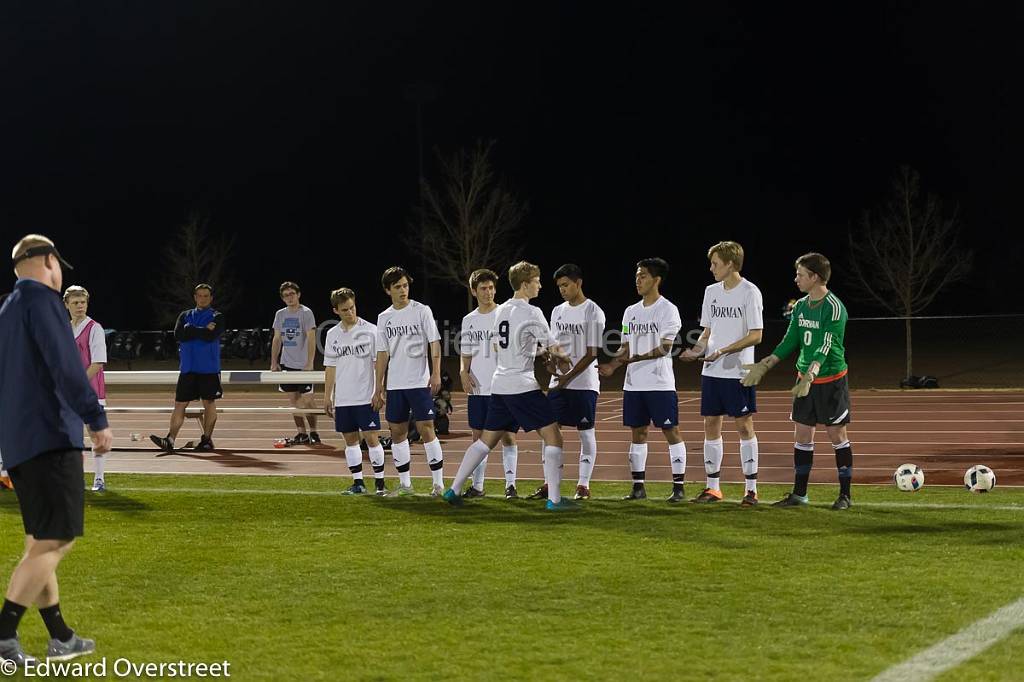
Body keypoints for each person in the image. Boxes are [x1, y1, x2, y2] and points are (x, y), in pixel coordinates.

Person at [0, 234, 112, 667]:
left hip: (19, 443)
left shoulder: (7, 310)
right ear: (48, 260)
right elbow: (65, 365)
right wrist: (95, 418)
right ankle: (5, 634)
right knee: (56, 540)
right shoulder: (44, 303)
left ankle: (60, 636)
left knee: (38, 542)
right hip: (50, 437)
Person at [442, 261, 576, 510]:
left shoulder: (501, 310)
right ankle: (555, 500)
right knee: (553, 436)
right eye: (536, 280)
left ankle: (454, 488)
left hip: (499, 384)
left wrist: (531, 351)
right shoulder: (531, 311)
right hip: (521, 385)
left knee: (485, 440)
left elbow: (497, 346)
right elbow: (554, 346)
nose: (540, 284)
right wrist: (566, 360)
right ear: (525, 284)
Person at [740, 252, 854, 510]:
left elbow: (825, 345)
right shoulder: (801, 306)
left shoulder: (834, 308)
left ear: (815, 277)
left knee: (837, 435)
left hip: (830, 380)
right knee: (802, 435)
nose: (796, 279)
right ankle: (799, 494)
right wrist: (766, 364)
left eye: (801, 274)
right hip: (805, 379)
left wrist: (812, 374)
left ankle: (845, 495)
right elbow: (791, 340)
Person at [679, 242, 764, 505]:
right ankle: (713, 487)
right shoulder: (710, 292)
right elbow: (706, 332)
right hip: (712, 371)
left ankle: (751, 490)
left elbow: (756, 335)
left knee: (743, 425)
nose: (711, 268)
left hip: (739, 371)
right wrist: (696, 351)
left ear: (729, 264)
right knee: (710, 425)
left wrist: (724, 351)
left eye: (715, 263)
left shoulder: (750, 292)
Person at [599, 258, 688, 502]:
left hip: (659, 384)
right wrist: (612, 365)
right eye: (637, 276)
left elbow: (665, 347)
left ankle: (678, 488)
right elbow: (625, 348)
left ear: (656, 280)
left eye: (643, 276)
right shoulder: (631, 312)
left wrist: (634, 358)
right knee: (638, 433)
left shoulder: (668, 309)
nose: (637, 280)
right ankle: (638, 488)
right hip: (633, 385)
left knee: (671, 431)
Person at [527, 264, 606, 501]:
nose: (562, 290)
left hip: (583, 383)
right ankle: (550, 483)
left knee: (585, 432)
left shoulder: (593, 311)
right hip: (558, 382)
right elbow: (555, 345)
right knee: (549, 430)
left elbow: (592, 352)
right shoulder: (557, 311)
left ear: (578, 283)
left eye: (566, 285)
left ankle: (583, 485)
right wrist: (551, 363)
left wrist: (567, 377)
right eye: (559, 286)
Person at [373, 267, 445, 496]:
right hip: (395, 384)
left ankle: (438, 484)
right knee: (397, 432)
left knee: (426, 429)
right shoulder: (384, 318)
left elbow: (434, 342)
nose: (403, 290)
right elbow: (382, 353)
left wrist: (435, 373)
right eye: (397, 287)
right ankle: (405, 485)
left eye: (405, 285)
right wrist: (378, 386)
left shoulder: (421, 311)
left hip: (419, 382)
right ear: (387, 290)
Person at [458, 269, 519, 499]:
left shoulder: (506, 314)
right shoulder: (469, 320)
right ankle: (478, 486)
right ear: (474, 291)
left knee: (508, 436)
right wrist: (463, 372)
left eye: (491, 288)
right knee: (478, 438)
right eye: (483, 288)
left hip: (503, 387)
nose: (488, 292)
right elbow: (466, 353)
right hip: (478, 388)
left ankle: (510, 485)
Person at [323, 288, 388, 495]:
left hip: (365, 395)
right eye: (344, 310)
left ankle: (380, 484)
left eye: (352, 308)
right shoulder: (332, 334)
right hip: (343, 398)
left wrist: (379, 390)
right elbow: (330, 367)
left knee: (371, 439)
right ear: (336, 311)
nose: (350, 312)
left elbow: (379, 363)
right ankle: (358, 483)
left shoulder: (371, 331)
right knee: (350, 441)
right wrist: (327, 396)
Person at [150, 284, 224, 453]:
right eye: (200, 295)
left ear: (211, 298)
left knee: (209, 404)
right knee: (179, 404)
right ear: (195, 297)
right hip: (188, 368)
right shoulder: (184, 315)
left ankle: (206, 440)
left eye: (206, 296)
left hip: (209, 369)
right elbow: (178, 335)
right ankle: (170, 439)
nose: (203, 298)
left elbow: (210, 336)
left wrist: (191, 330)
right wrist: (201, 330)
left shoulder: (217, 316)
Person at [63, 285, 110, 492]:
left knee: (95, 436)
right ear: (66, 305)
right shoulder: (64, 329)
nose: (80, 306)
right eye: (75, 302)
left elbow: (98, 363)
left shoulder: (95, 328)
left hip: (91, 392)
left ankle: (99, 479)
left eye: (83, 302)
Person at [271, 281, 320, 445]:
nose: (289, 297)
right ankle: (301, 433)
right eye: (286, 295)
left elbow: (312, 338)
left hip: (304, 365)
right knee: (294, 402)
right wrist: (274, 362)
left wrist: (310, 363)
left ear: (298, 294)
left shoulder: (306, 313)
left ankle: (314, 432)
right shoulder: (280, 314)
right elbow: (277, 339)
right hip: (286, 364)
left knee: (307, 401)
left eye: (292, 294)